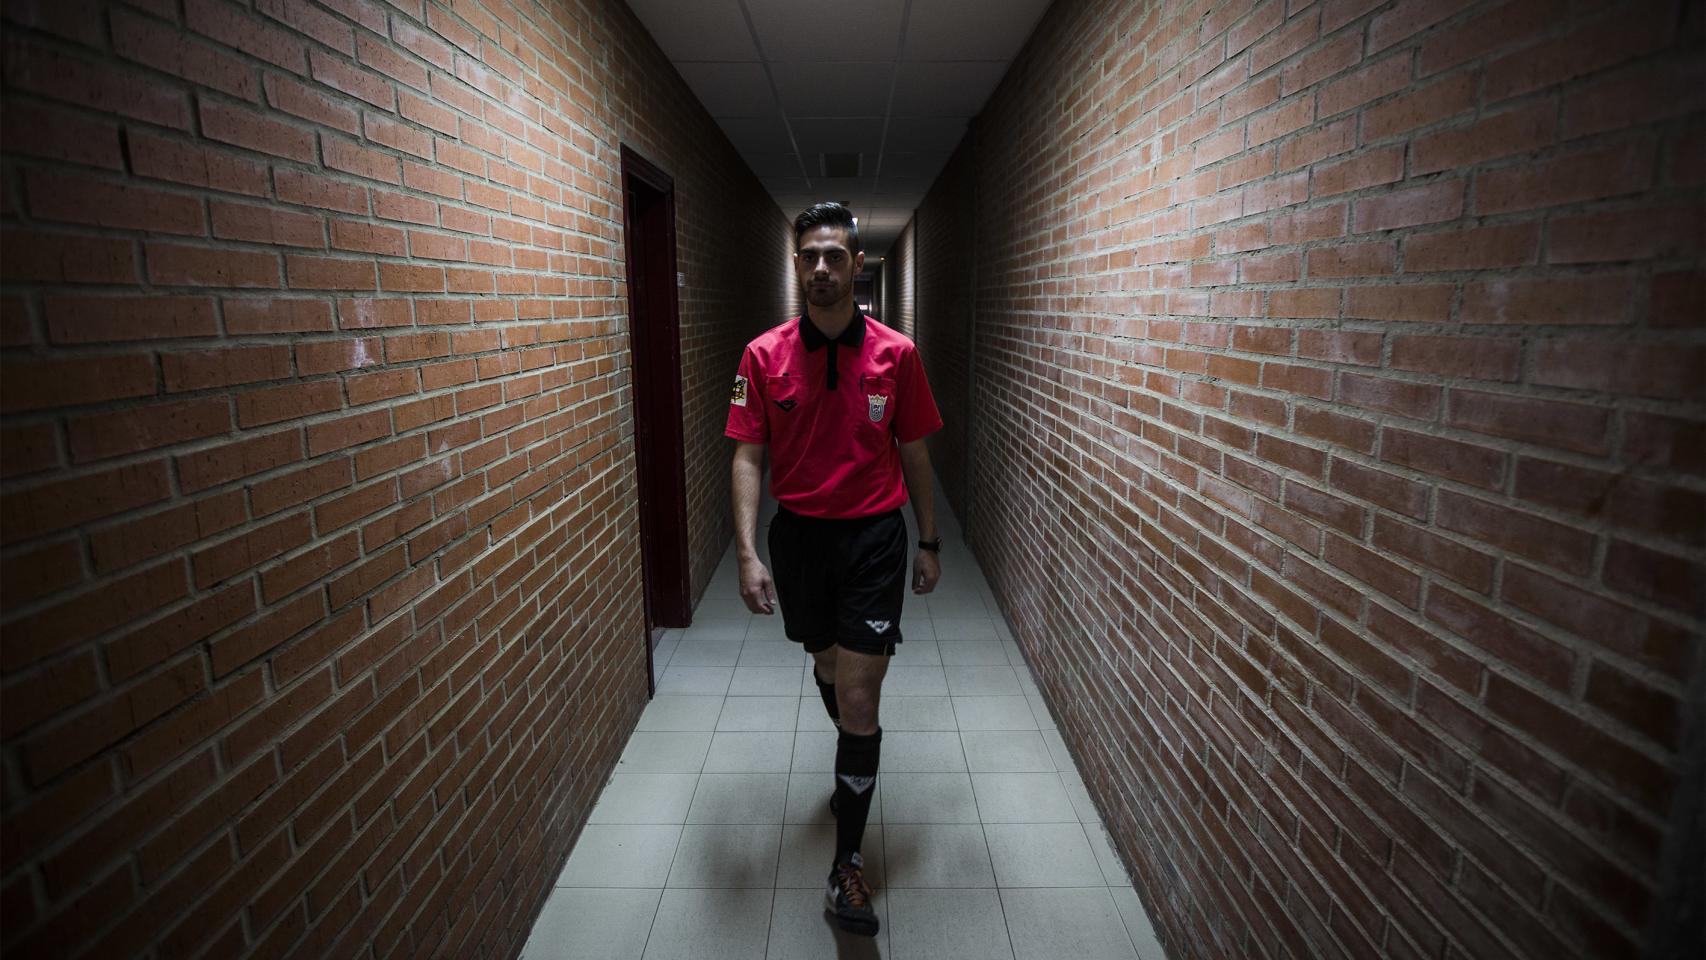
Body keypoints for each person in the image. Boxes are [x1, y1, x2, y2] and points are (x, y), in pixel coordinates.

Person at [725, 202, 944, 937]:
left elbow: (914, 448)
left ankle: (848, 862)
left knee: (858, 696)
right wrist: (751, 551)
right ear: (797, 265)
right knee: (826, 667)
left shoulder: (897, 355)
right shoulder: (762, 356)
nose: (821, 268)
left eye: (835, 256)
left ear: (856, 264)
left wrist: (930, 539)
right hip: (802, 543)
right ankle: (850, 754)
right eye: (809, 256)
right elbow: (748, 453)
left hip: (875, 540)